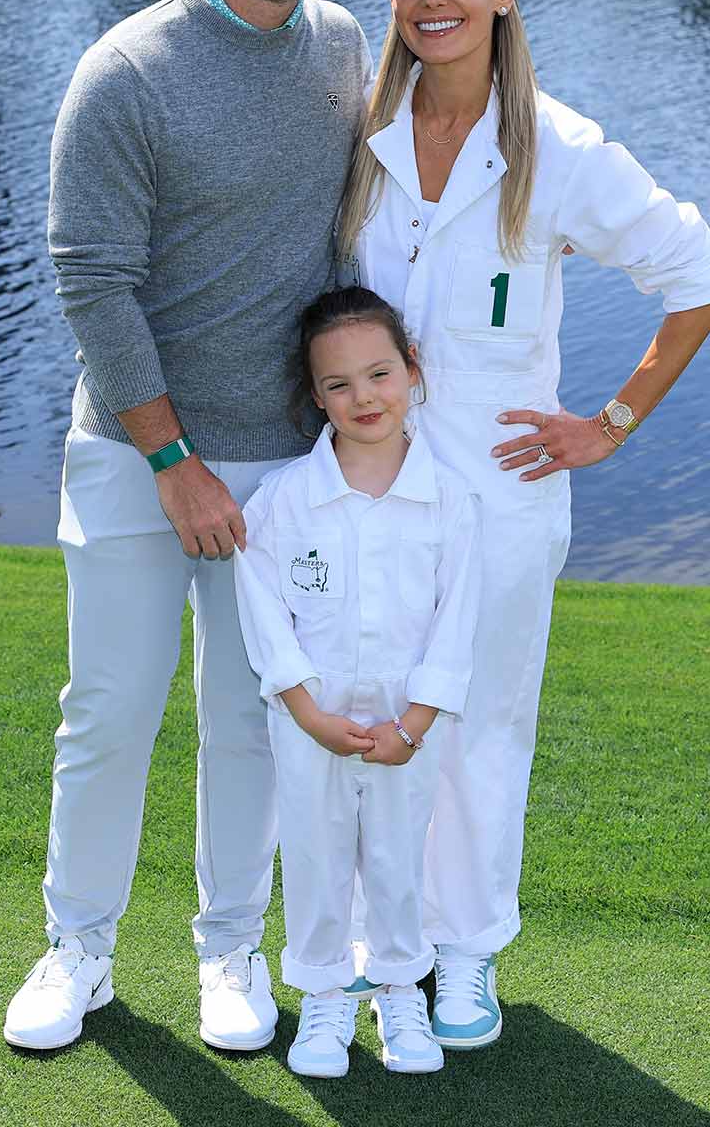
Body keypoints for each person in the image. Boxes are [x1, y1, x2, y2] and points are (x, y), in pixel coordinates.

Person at [337, 0, 710, 1049]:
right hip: (368, 497)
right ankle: (379, 951)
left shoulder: (558, 152)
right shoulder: (352, 134)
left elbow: (700, 275)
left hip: (504, 504)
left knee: (479, 732)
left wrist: (609, 423)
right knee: (369, 717)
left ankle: (465, 958)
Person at [3, 0, 371, 1053]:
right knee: (107, 708)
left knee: (252, 715)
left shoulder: (340, 48)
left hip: (280, 459)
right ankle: (79, 950)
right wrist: (171, 463)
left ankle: (229, 952)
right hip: (133, 450)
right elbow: (90, 276)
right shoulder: (128, 69)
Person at [233, 287, 480, 1078]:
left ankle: (401, 988)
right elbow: (265, 614)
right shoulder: (284, 502)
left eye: (379, 374)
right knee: (313, 852)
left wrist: (415, 723)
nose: (362, 397)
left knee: (401, 858)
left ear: (414, 372)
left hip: (409, 726)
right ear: (315, 397)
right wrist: (306, 711)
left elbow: (458, 620)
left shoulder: (450, 500)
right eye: (338, 385)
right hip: (313, 721)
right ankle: (324, 994)